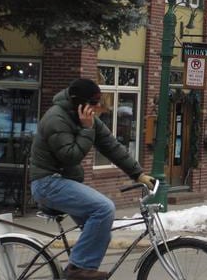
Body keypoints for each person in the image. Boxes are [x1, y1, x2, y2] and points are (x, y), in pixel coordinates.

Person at [30, 78, 153, 280]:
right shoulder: (56, 118)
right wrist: (87, 129)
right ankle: (77, 269)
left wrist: (138, 173)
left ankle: (81, 272)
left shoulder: (85, 117)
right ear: (78, 102)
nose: (97, 107)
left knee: (101, 231)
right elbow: (70, 156)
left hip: (62, 182)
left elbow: (110, 145)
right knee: (104, 208)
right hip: (47, 183)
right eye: (93, 103)